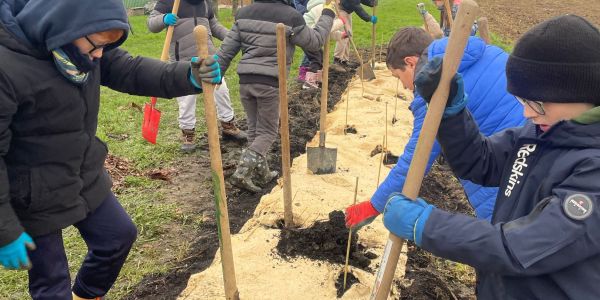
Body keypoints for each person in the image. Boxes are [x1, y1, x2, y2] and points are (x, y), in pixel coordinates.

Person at [0, 0, 219, 299]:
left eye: (106, 47)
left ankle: (87, 295)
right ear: (65, 25)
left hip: (81, 171)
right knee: (51, 282)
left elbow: (129, 69)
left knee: (117, 237)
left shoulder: (86, 47)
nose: (100, 56)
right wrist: (5, 230)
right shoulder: (7, 68)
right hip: (30, 191)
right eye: (96, 47)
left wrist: (186, 76)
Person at [384, 15, 600, 298]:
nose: (526, 113)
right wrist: (452, 114)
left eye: (535, 103)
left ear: (582, 94)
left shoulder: (592, 172)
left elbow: (520, 247)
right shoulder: (540, 131)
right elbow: (480, 162)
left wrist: (429, 225)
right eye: (522, 101)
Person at [345, 27, 525, 229]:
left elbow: (417, 158)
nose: (404, 87)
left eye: (398, 77)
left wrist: (374, 205)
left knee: (509, 241)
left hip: (510, 172)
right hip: (538, 143)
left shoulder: (435, 87)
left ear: (411, 62)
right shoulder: (480, 51)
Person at [216, 0, 335, 192]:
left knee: (255, 129)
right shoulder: (290, 16)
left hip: (246, 81)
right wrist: (328, 14)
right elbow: (314, 41)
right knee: (268, 132)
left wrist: (216, 75)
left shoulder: (244, 13)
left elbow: (226, 51)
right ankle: (241, 172)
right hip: (270, 83)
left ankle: (261, 173)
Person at [148, 0, 247, 152]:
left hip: (208, 58)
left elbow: (214, 26)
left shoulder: (205, 4)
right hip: (183, 61)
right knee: (186, 99)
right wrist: (163, 19)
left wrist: (232, 37)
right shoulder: (169, 2)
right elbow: (151, 23)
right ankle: (188, 134)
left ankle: (228, 124)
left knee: (221, 90)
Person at [301, 0, 346, 89]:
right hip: (307, 38)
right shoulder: (320, 9)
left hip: (312, 37)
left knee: (320, 57)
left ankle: (318, 79)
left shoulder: (327, 9)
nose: (339, 1)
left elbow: (327, 32)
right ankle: (309, 83)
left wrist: (341, 35)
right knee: (316, 59)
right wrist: (340, 22)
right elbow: (324, 28)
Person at [331, 0, 377, 71]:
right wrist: (369, 18)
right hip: (340, 10)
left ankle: (344, 60)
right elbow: (357, 7)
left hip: (347, 10)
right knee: (345, 35)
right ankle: (336, 60)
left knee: (349, 36)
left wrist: (371, 3)